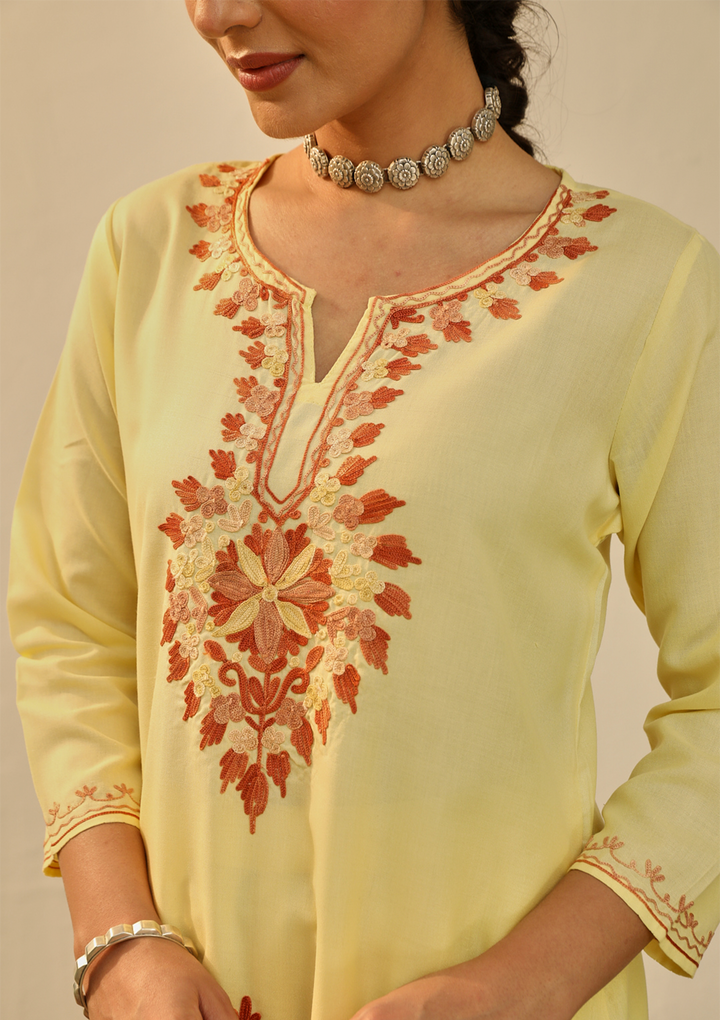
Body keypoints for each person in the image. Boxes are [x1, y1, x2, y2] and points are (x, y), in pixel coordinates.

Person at [8, 1, 720, 1018]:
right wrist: (117, 944)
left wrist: (523, 986)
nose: (216, 13)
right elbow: (70, 621)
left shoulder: (642, 287)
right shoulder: (153, 249)